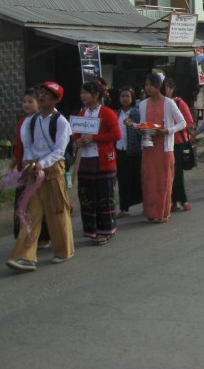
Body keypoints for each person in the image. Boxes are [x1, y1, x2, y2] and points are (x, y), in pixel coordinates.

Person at [7, 82, 75, 272]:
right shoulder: (31, 121)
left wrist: (42, 164)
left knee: (57, 212)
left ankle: (64, 250)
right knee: (31, 213)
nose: (42, 96)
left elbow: (59, 150)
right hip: (34, 172)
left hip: (53, 171)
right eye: (41, 93)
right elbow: (26, 143)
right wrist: (30, 160)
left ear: (56, 100)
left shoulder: (61, 122)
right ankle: (25, 256)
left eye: (47, 94)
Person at [73, 80, 121, 246]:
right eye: (82, 93)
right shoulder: (81, 115)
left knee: (104, 195)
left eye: (86, 93)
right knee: (87, 195)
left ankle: (106, 230)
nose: (83, 96)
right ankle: (91, 229)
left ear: (96, 95)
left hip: (103, 161)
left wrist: (95, 138)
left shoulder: (107, 113)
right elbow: (76, 135)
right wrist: (78, 142)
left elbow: (116, 134)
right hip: (85, 160)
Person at [135, 73, 186, 222]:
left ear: (158, 86)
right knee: (148, 179)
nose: (147, 88)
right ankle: (151, 212)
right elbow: (143, 124)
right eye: (146, 85)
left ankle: (163, 212)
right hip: (148, 146)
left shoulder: (169, 103)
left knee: (164, 180)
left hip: (164, 147)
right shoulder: (142, 104)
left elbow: (182, 122)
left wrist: (168, 130)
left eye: (150, 85)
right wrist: (138, 127)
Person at [12, 88, 50, 246]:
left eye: (30, 101)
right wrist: (12, 166)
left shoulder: (41, 121)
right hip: (24, 169)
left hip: (38, 168)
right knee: (22, 203)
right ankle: (26, 236)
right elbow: (18, 147)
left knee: (38, 204)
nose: (26, 104)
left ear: (38, 104)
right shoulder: (22, 121)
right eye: (24, 101)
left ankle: (42, 237)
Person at [162, 78, 194, 213]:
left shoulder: (179, 103)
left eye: (167, 88)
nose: (164, 91)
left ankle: (183, 200)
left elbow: (189, 122)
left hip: (178, 142)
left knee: (177, 173)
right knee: (167, 173)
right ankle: (173, 201)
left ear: (172, 89)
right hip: (163, 142)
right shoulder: (158, 104)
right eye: (162, 88)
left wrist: (173, 129)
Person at [115, 86, 142, 218]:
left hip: (134, 150)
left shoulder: (136, 113)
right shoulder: (117, 113)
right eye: (122, 96)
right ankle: (124, 208)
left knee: (137, 178)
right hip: (120, 149)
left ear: (132, 98)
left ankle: (144, 204)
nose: (125, 99)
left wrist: (132, 125)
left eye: (127, 96)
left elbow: (142, 129)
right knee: (122, 180)